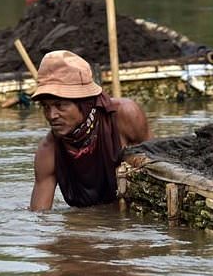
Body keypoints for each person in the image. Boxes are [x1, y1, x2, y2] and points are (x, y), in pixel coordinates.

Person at [30, 50, 152, 211]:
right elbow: (40, 216)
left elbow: (156, 171)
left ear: (84, 103)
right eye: (46, 107)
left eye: (60, 105)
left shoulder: (125, 116)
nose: (52, 115)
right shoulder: (49, 151)